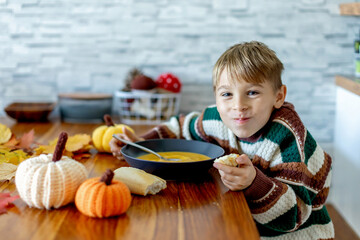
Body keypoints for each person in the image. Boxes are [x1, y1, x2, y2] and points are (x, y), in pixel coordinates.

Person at [110, 41, 334, 239]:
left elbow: (294, 215)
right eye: (227, 94)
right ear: (216, 97)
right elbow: (179, 128)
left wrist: (254, 182)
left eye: (252, 92)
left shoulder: (286, 136)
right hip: (247, 220)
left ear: (278, 96)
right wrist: (140, 141)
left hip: (297, 233)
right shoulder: (218, 118)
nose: (238, 105)